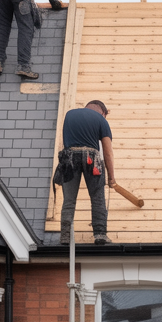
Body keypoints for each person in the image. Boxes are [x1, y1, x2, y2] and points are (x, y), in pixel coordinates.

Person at [55, 100, 116, 245]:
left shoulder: (70, 115)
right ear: (103, 112)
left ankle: (65, 236)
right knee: (97, 197)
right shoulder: (101, 120)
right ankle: (100, 234)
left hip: (69, 157)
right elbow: (107, 152)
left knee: (69, 200)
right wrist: (111, 178)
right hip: (91, 158)